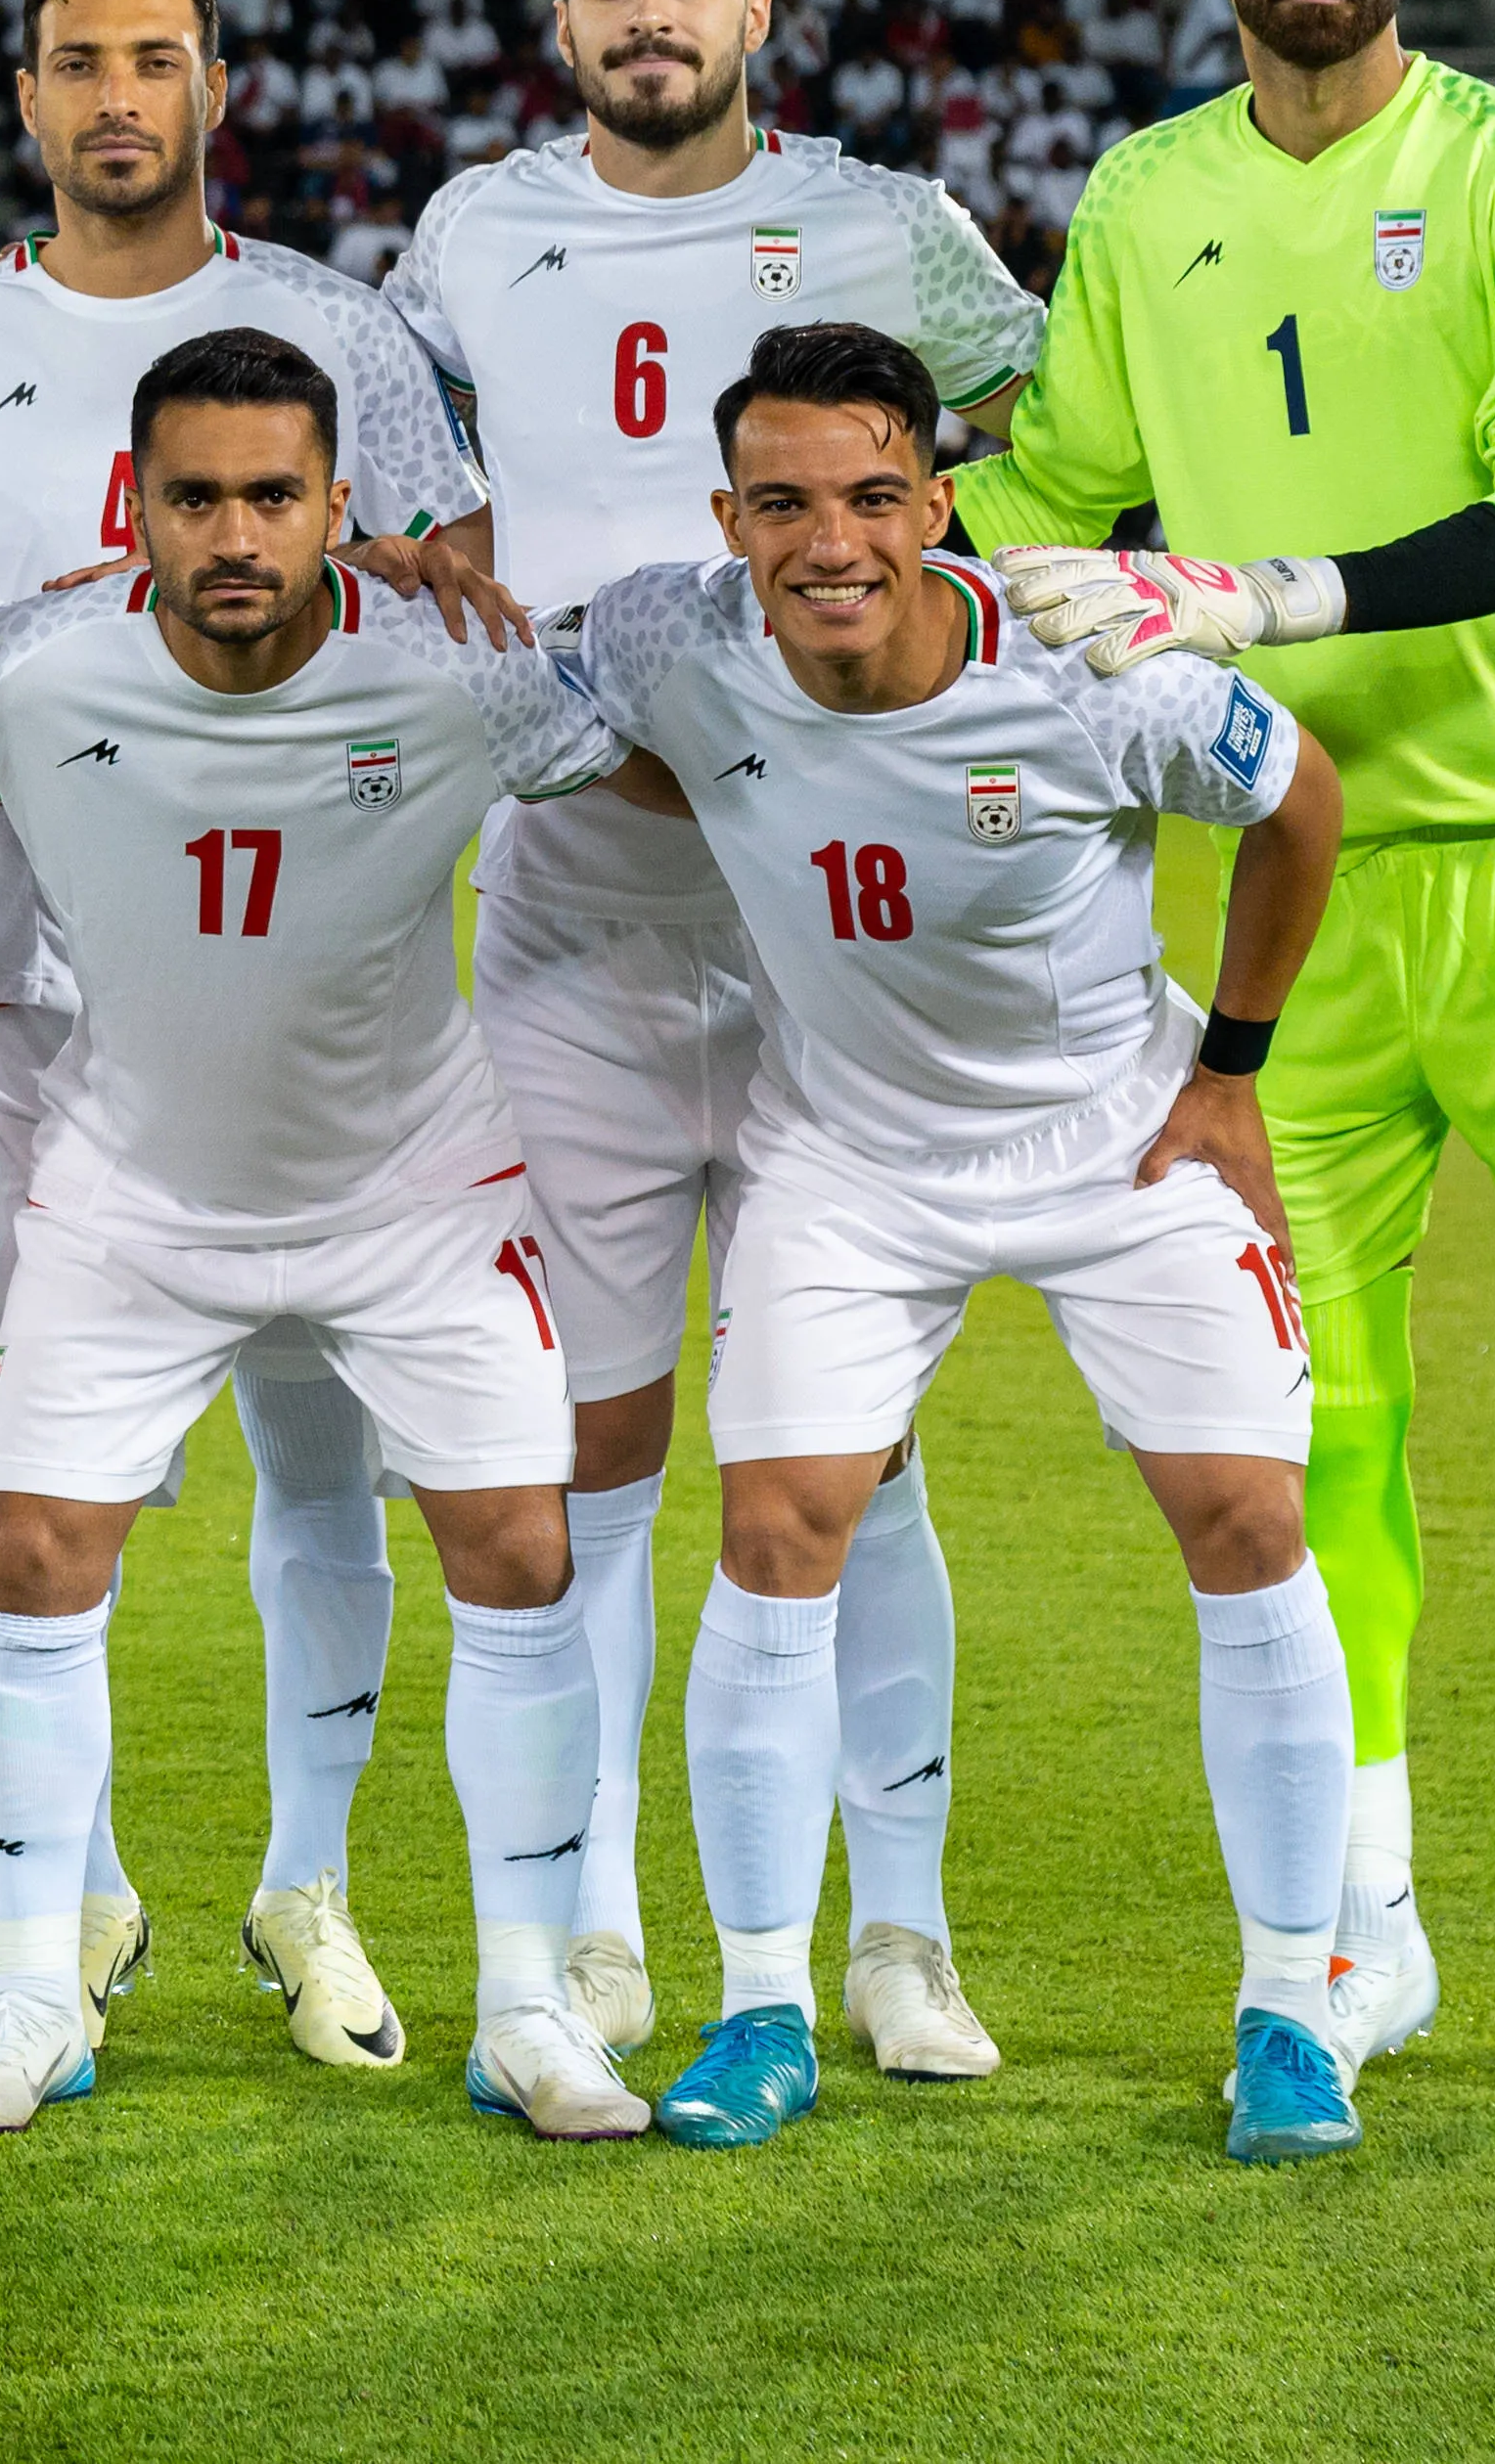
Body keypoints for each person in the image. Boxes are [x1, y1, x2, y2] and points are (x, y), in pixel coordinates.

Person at [970, 0, 1495, 2121]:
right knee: (1333, 1419)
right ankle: (1371, 1921)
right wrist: (824, 551)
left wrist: (1246, 592)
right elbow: (1042, 484)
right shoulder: (1143, 196)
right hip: (1296, 875)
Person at [380, 0, 1047, 2077]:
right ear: (559, 17)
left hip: (831, 948)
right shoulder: (469, 235)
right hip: (569, 924)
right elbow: (404, 500)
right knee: (587, 1453)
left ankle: (900, 1934)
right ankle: (601, 1932)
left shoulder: (894, 228)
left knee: (857, 1460)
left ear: (758, 6)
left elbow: (1041, 487)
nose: (648, 12)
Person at [0, 327, 644, 2142]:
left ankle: (525, 2002)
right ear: (140, 507)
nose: (236, 532)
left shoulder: (462, 669)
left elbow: (658, 737)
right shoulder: (28, 669)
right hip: (132, 1196)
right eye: (195, 497)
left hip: (415, 1195)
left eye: (275, 494)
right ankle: (34, 1989)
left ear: (340, 505)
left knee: (517, 1551)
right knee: (31, 1560)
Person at [567, 319, 1357, 2164]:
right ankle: (764, 2000)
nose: (826, 542)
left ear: (936, 500)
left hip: (1116, 1138)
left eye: (866, 497)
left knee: (1245, 1518)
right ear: (728, 514)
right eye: (780, 503)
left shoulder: (1090, 670)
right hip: (845, 1155)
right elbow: (528, 704)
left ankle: (1287, 2011)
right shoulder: (670, 639)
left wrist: (1231, 1071)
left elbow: (1298, 799)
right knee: (772, 1532)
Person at [0, 0, 498, 2076]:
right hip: (30, 975)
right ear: (21, 97)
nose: (117, 94)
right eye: (75, 61)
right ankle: (89, 1888)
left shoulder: (337, 330)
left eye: (154, 56)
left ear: (212, 82)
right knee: (54, 1452)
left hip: (314, 987)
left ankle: (306, 1878)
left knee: (328, 1436)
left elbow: (442, 602)